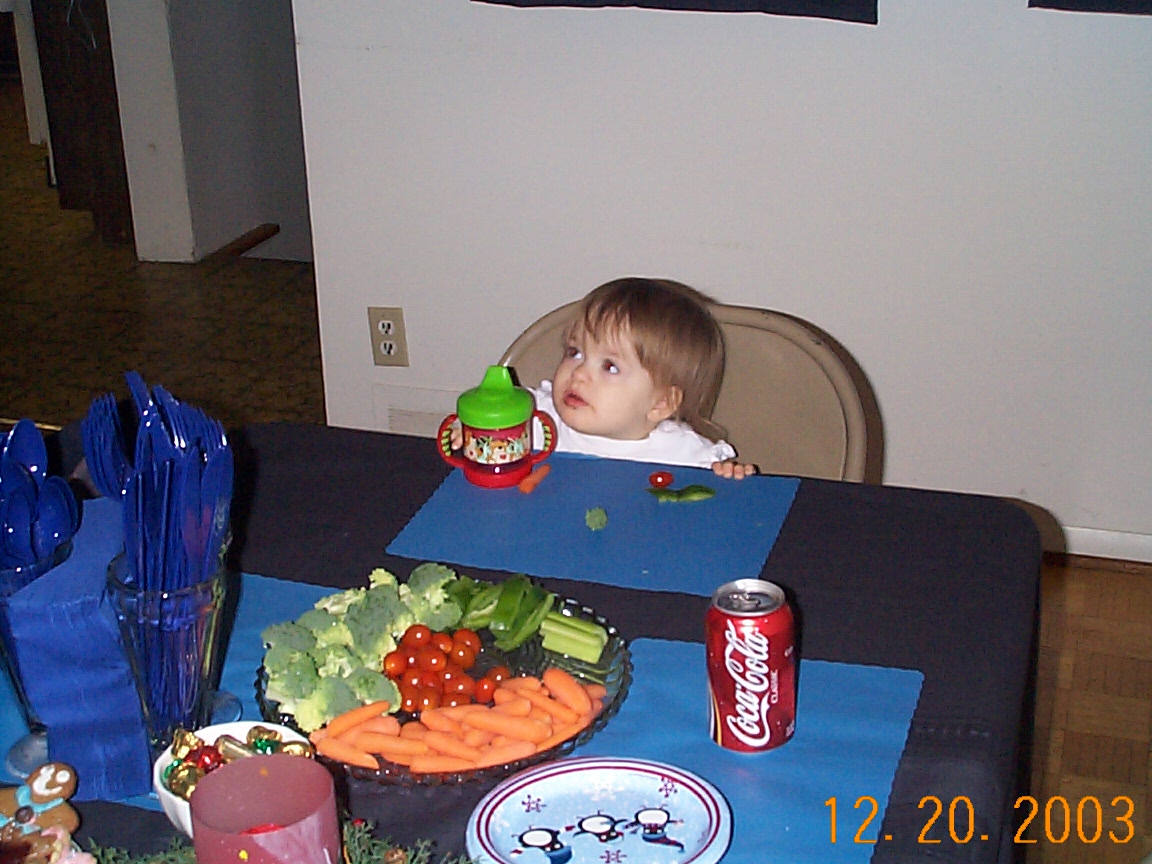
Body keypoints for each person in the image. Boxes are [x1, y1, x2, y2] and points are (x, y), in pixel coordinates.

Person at [459, 277, 756, 478]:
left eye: (610, 367)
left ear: (660, 403)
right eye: (575, 352)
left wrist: (730, 477)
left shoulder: (685, 455)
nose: (579, 373)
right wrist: (471, 431)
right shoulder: (531, 417)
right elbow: (487, 428)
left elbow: (721, 502)